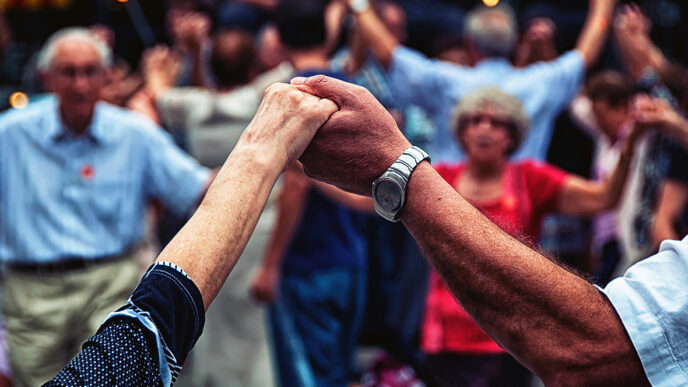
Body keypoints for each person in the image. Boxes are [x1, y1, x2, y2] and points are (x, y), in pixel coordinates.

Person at [43, 82, 339, 386]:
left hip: (133, 274)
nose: (80, 84)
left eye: (90, 73)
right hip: (249, 234)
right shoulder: (242, 99)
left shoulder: (178, 113)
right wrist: (258, 157)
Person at [0, 27, 212, 386]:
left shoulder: (135, 134)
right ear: (46, 78)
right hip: (31, 292)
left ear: (107, 75)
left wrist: (261, 163)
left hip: (110, 285)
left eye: (90, 71)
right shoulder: (10, 134)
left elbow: (197, 188)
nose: (80, 84)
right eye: (69, 72)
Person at [420, 87, 646, 386]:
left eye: (496, 122)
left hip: (510, 339)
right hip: (445, 339)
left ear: (512, 135)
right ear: (461, 132)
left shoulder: (530, 178)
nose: (484, 128)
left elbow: (604, 199)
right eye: (474, 120)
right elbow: (372, 196)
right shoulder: (439, 180)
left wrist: (630, 145)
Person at [249, 1, 371, 386]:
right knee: (336, 371)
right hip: (350, 257)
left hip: (307, 261)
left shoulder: (293, 95)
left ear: (280, 40)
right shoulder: (354, 89)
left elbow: (297, 184)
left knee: (307, 377)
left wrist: (271, 264)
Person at [346, 0, 616, 162]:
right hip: (521, 221)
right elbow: (586, 54)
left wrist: (359, 6)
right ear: (512, 43)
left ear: (470, 45)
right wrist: (603, 8)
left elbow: (389, 54)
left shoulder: (446, 81)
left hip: (451, 212)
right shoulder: (540, 82)